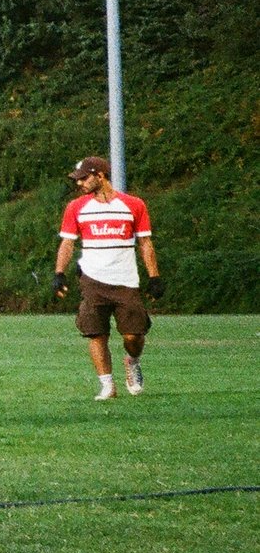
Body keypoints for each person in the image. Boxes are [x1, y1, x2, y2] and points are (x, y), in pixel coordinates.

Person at [53, 155, 161, 400]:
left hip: (126, 280)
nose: (79, 183)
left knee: (134, 335)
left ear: (100, 176)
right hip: (92, 279)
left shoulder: (134, 205)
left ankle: (132, 361)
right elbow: (67, 243)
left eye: (84, 178)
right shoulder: (76, 207)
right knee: (95, 332)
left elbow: (145, 242)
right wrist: (59, 273)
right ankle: (107, 385)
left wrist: (154, 277)